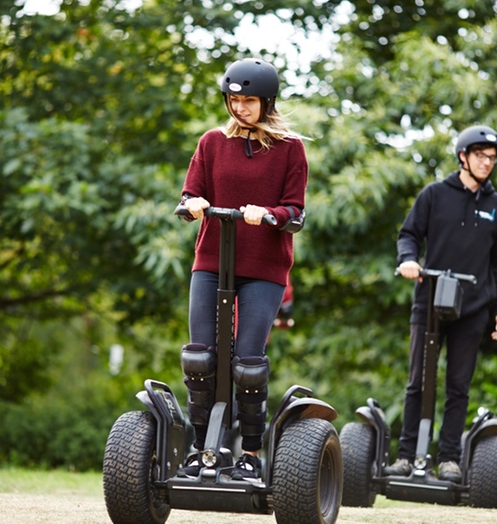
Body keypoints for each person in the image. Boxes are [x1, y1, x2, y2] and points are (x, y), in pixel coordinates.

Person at [176, 58, 308, 481]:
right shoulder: (212, 143)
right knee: (201, 359)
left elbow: (295, 211)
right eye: (234, 99)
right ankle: (203, 450)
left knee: (248, 364)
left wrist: (268, 214)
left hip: (264, 267)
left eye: (248, 100)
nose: (240, 108)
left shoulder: (290, 148)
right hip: (212, 261)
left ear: (266, 102)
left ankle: (250, 453)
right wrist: (193, 204)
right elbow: (190, 193)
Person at [386, 125, 497, 481]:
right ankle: (408, 455)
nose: (487, 163)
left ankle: (448, 459)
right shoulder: (434, 195)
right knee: (418, 382)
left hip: (473, 307)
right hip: (429, 302)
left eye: (492, 158)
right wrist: (408, 260)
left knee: (458, 385)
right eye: (480, 156)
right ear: (463, 157)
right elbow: (409, 235)